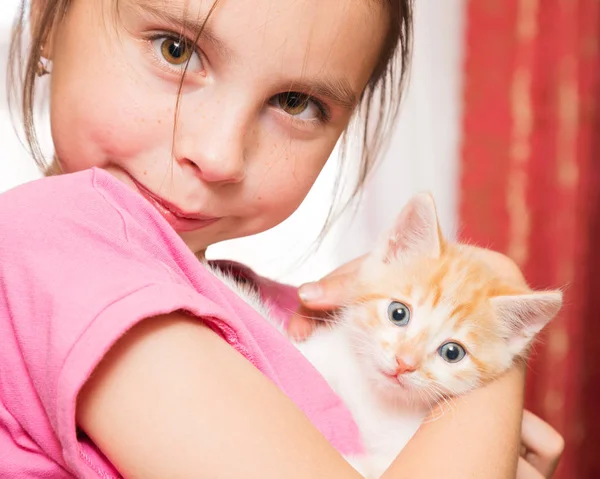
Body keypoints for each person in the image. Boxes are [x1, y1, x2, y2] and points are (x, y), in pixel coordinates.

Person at [0, 0, 563, 477]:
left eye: (295, 103)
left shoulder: (287, 314)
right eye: (176, 50)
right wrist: (496, 324)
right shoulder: (53, 238)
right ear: (48, 18)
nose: (220, 154)